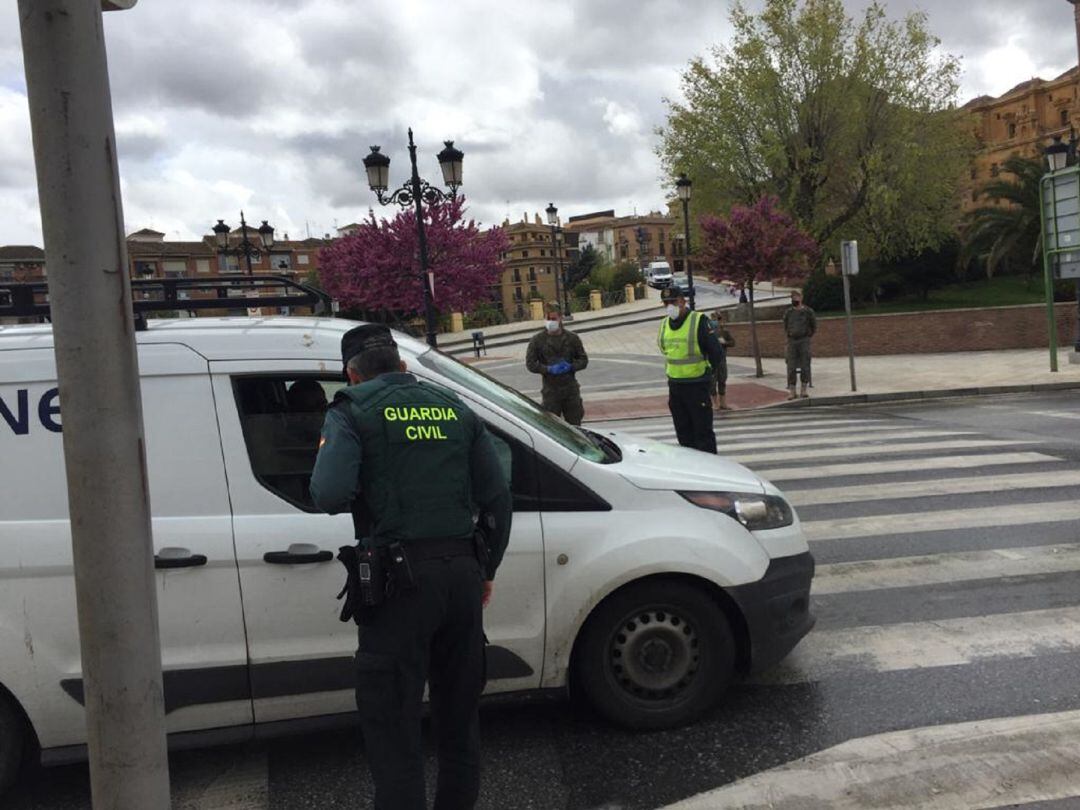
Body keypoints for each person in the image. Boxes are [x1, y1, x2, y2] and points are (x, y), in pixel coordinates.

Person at [309, 324, 512, 810]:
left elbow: (328, 494)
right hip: (462, 576)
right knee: (459, 720)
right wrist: (487, 570)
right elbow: (498, 497)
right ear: (402, 367)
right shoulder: (454, 409)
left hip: (398, 585)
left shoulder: (351, 410)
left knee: (394, 727)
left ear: (351, 375)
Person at [658, 287, 725, 453]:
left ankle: (711, 471)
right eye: (666, 303)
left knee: (703, 434)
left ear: (683, 301)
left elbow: (716, 353)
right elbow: (665, 349)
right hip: (675, 387)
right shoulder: (664, 324)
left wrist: (708, 375)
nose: (669, 306)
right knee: (684, 435)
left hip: (697, 386)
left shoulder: (698, 321)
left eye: (673, 302)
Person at [524, 304, 589, 425]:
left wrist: (571, 366)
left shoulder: (572, 338)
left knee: (575, 425)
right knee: (552, 426)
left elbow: (583, 360)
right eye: (548, 318)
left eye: (554, 319)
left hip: (570, 390)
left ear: (560, 319)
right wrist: (547, 369)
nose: (551, 322)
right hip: (551, 392)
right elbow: (530, 364)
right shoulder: (537, 340)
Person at [783, 289, 817, 399]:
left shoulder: (808, 311)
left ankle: (804, 389)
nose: (794, 298)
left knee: (805, 365)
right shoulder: (788, 312)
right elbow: (785, 325)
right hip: (792, 341)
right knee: (791, 366)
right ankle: (792, 390)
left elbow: (814, 325)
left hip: (804, 340)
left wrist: (807, 335)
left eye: (796, 296)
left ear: (801, 297)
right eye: (792, 296)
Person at [706, 310, 735, 411]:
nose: (717, 321)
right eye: (714, 319)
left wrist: (725, 342)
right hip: (711, 360)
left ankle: (723, 403)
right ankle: (715, 403)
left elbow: (733, 342)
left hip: (722, 359)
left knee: (722, 380)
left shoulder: (724, 331)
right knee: (712, 382)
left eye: (718, 319)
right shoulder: (708, 332)